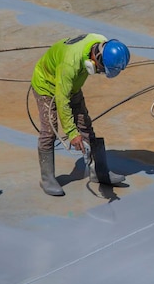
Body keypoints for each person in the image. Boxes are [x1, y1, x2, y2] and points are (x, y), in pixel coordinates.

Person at [31, 33, 130, 196]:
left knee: (85, 126)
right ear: (96, 57)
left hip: (71, 85)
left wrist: (78, 131)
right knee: (49, 131)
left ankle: (98, 172)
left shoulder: (100, 42)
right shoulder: (70, 63)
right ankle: (47, 178)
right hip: (47, 86)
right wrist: (71, 132)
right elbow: (62, 99)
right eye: (101, 69)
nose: (100, 72)